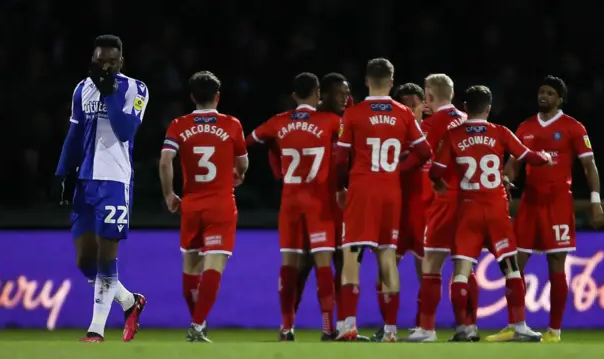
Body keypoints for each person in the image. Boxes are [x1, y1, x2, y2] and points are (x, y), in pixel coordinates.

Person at [487, 76, 604, 343]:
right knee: (515, 265)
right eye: (541, 92)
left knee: (556, 266)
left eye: (550, 93)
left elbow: (589, 166)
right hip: (530, 203)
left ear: (560, 99)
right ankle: (515, 324)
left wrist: (596, 200)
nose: (544, 96)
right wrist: (506, 179)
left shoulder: (573, 127)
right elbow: (513, 163)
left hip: (558, 204)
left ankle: (554, 331)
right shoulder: (526, 127)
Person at [428, 85, 548, 342]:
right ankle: (519, 325)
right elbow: (527, 156)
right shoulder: (500, 132)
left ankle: (465, 329)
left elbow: (435, 172)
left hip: (467, 210)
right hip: (495, 211)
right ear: (489, 109)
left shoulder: (453, 135)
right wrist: (546, 157)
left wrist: (442, 185)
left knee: (461, 271)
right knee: (511, 268)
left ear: (465, 108)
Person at [53, 35, 148, 343]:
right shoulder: (82, 88)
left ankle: (96, 331)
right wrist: (62, 172)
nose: (104, 66)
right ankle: (129, 301)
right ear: (92, 61)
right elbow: (75, 131)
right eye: (98, 61)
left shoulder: (136, 89)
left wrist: (109, 93)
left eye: (110, 61)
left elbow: (125, 131)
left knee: (107, 258)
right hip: (85, 181)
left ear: (121, 61)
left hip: (114, 181)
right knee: (85, 262)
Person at [335, 58, 432, 342]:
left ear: (366, 80)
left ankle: (349, 325)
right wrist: (398, 168)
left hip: (362, 189)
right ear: (391, 82)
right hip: (391, 192)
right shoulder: (403, 113)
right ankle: (390, 330)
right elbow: (425, 152)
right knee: (387, 255)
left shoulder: (353, 113)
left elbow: (341, 159)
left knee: (352, 253)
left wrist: (342, 186)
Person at [246, 73, 340, 341]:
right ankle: (326, 328)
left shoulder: (278, 122)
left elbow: (247, 142)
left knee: (289, 266)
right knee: (323, 264)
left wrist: (273, 161)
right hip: (319, 203)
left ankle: (287, 327)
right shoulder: (331, 121)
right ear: (317, 92)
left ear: (294, 96)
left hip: (290, 202)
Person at [160, 71, 249, 343]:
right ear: (217, 96)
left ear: (191, 97)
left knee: (190, 269)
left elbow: (165, 161)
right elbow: (243, 164)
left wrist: (168, 195)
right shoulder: (232, 125)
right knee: (213, 266)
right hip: (220, 204)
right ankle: (197, 325)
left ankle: (197, 322)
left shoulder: (178, 124)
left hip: (192, 204)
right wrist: (238, 174)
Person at [407, 74, 482, 342]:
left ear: (428, 95)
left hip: (443, 201)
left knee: (432, 266)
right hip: (470, 202)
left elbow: (418, 156)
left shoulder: (433, 123)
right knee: (464, 269)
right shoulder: (467, 119)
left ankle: (426, 329)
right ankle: (468, 326)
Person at [372, 83, 428, 341]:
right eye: (405, 104)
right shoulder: (389, 135)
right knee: (384, 273)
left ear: (424, 106)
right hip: (394, 214)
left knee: (426, 274)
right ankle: (388, 326)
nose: (410, 108)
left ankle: (422, 326)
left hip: (424, 215)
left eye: (414, 104)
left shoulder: (430, 134)